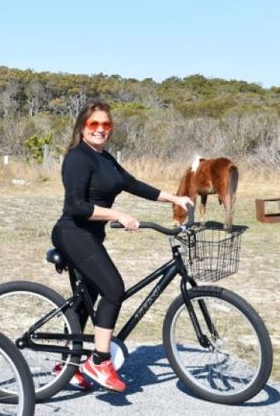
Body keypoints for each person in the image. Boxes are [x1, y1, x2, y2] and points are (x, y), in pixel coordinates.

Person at [51, 98, 193, 392]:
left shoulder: (105, 158)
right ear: (83, 126)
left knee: (86, 297)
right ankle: (100, 361)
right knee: (113, 288)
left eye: (106, 124)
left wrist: (175, 198)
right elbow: (76, 206)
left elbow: (133, 184)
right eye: (94, 124)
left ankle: (68, 363)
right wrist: (117, 214)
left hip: (91, 236)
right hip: (73, 233)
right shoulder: (78, 158)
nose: (100, 130)